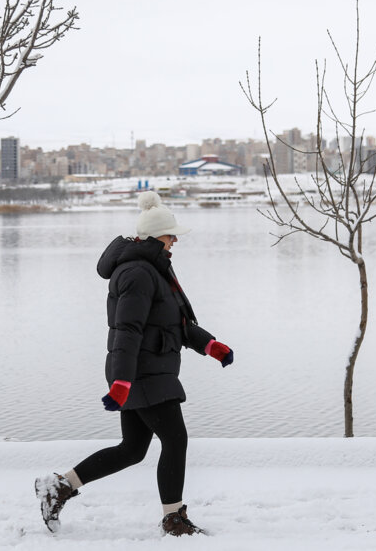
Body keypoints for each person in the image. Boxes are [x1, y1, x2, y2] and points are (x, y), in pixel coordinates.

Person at [35, 191, 235, 537]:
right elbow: (127, 330)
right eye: (171, 235)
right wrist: (122, 381)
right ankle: (173, 519)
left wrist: (210, 345)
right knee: (175, 440)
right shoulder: (139, 273)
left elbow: (175, 323)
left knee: (132, 449)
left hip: (148, 370)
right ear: (156, 236)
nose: (175, 240)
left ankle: (59, 486)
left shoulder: (155, 269)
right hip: (142, 373)